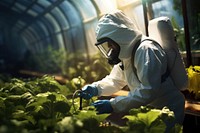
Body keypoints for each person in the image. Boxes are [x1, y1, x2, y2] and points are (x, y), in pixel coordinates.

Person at [80, 10, 185, 131]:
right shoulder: (127, 55)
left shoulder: (146, 50)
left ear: (119, 37)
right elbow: (115, 80)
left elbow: (148, 91)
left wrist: (113, 105)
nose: (110, 49)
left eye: (110, 44)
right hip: (149, 109)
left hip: (168, 109)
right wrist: (96, 88)